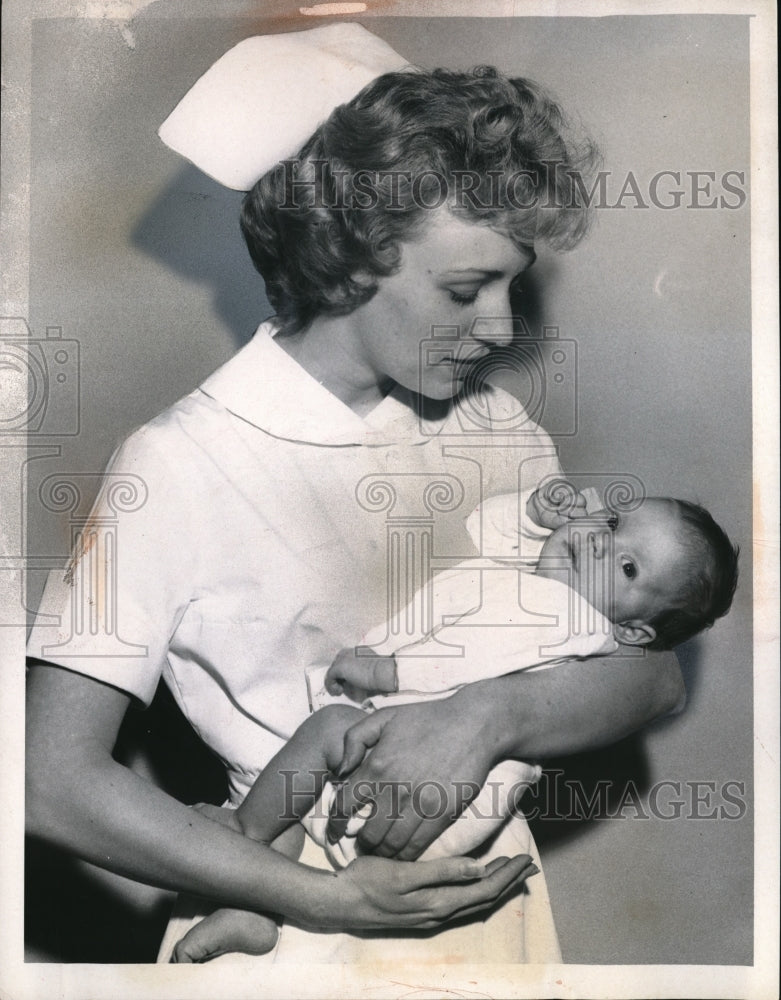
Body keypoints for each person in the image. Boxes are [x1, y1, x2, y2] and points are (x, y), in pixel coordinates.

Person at [25, 25, 687, 966]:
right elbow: (48, 778)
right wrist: (328, 900)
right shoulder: (178, 464)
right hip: (282, 920)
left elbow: (649, 671)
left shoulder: (493, 429)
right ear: (346, 254)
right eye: (467, 290)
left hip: (488, 909)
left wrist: (486, 717)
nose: (500, 326)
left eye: (512, 286)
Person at [168, 482, 738, 962]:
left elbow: (473, 653)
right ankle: (252, 910)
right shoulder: (555, 593)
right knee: (301, 800)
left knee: (316, 744)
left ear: (635, 631)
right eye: (612, 523)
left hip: (426, 795)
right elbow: (494, 539)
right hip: (438, 804)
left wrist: (392, 671)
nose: (597, 542)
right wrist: (534, 514)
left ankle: (242, 846)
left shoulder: (567, 616)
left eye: (627, 565)